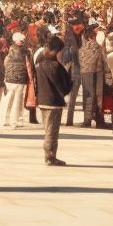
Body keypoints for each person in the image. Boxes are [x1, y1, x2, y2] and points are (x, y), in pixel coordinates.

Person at [35, 36, 71, 165]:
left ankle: (50, 155)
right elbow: (65, 85)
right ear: (56, 50)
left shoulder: (39, 63)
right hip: (53, 101)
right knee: (51, 131)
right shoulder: (55, 66)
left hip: (43, 99)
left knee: (48, 129)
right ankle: (50, 156)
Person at [1, 33, 30, 130]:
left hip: (9, 78)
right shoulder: (26, 52)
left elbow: (5, 64)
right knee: (17, 101)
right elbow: (29, 66)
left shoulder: (10, 51)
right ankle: (14, 121)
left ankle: (5, 119)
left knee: (9, 98)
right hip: (21, 79)